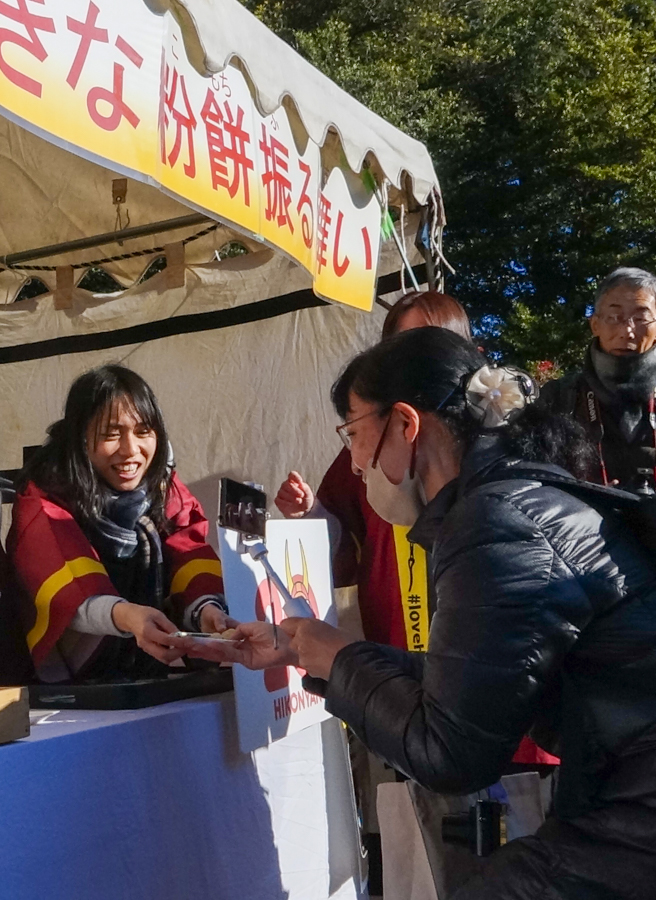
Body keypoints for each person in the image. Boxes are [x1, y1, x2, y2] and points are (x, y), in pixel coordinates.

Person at [183, 327, 656, 897]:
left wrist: (341, 657)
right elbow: (465, 688)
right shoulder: (519, 501)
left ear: (405, 424)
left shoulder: (496, 523)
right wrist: (315, 652)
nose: (354, 463)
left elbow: (449, 751)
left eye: (355, 434)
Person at [5, 365, 234, 682]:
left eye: (143, 432)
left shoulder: (161, 485)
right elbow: (67, 589)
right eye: (111, 434)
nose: (131, 451)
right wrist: (128, 617)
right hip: (71, 686)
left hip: (145, 671)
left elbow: (189, 550)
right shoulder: (44, 496)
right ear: (81, 438)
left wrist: (206, 610)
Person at [275, 290, 470, 650]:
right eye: (401, 347)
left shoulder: (490, 467)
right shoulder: (371, 445)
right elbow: (345, 535)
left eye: (428, 346)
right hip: (396, 634)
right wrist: (311, 513)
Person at [541, 267, 656, 494]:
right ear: (595, 324)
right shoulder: (559, 397)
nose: (628, 331)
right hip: (580, 523)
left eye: (641, 318)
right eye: (614, 317)